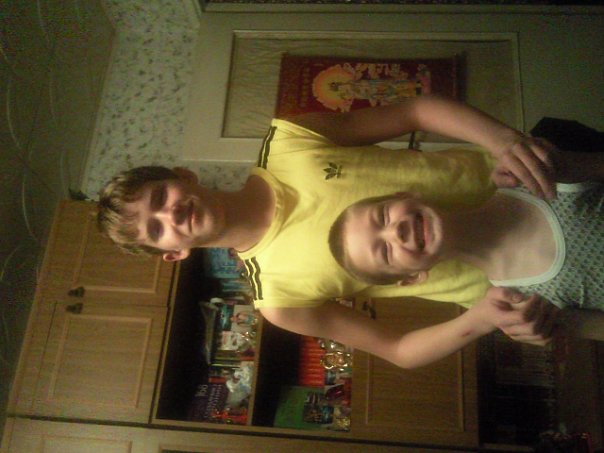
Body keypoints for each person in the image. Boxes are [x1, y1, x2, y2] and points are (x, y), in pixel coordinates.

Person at [97, 95, 559, 369]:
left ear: (183, 175)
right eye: (156, 228)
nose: (171, 214)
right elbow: (398, 349)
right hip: (535, 282)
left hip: (536, 179)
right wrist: (485, 319)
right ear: (172, 253)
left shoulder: (289, 138)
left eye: (161, 196)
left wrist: (503, 140)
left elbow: (416, 110)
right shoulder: (279, 299)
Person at [328, 152, 604, 348]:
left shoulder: (529, 179)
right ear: (412, 277)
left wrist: (563, 162)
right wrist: (559, 325)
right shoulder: (525, 304)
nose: (395, 232)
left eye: (383, 216)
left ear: (406, 195)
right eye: (385, 252)